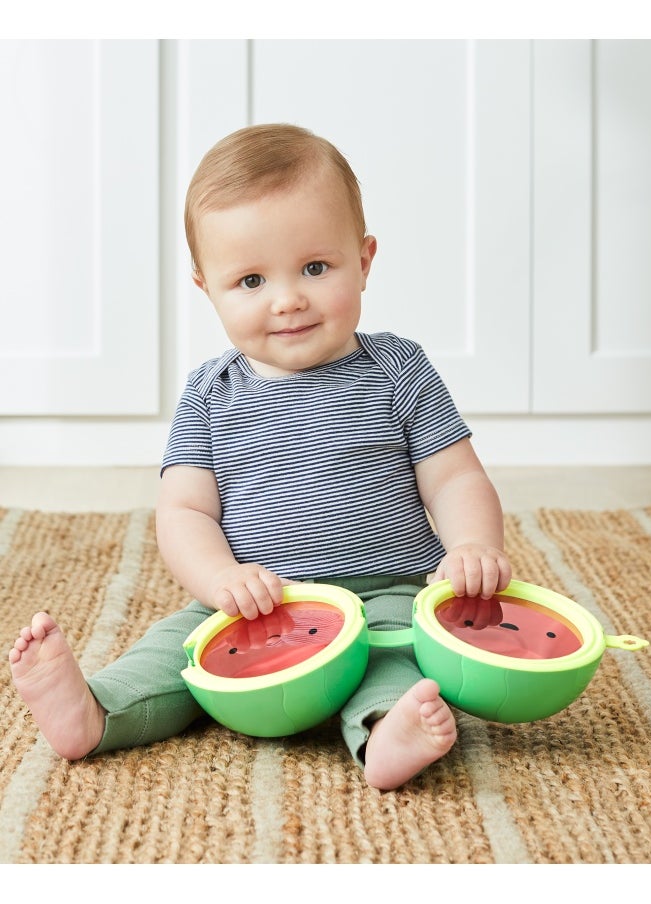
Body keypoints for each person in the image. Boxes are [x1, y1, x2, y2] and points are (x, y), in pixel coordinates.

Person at [9, 123, 511, 791]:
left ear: (364, 260)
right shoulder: (210, 393)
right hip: (253, 604)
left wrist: (472, 546)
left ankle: (387, 731)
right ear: (206, 289)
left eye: (314, 267)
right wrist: (220, 579)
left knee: (404, 659)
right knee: (177, 652)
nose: (287, 298)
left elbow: (453, 477)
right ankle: (94, 710)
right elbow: (184, 509)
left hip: (380, 596)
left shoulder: (398, 371)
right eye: (250, 279)